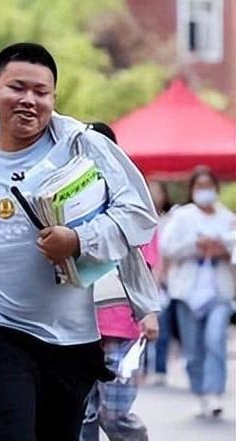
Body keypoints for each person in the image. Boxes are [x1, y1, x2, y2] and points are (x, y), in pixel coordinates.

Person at [0, 42, 160, 441]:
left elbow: (137, 213)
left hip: (69, 337)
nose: (28, 100)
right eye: (16, 88)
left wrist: (78, 239)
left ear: (53, 98)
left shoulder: (82, 146)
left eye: (41, 92)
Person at [79, 122, 148, 441]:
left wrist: (149, 311)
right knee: (82, 415)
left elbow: (143, 262)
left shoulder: (128, 203)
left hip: (120, 324)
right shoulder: (66, 200)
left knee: (114, 415)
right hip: (76, 327)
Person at [161, 166, 235, 417]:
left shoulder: (227, 218)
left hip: (219, 289)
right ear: (192, 190)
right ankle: (199, 393)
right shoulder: (182, 217)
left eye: (209, 186)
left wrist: (222, 250)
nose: (205, 192)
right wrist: (195, 245)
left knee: (215, 339)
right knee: (192, 349)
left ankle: (214, 393)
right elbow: (168, 248)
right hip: (187, 291)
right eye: (200, 187)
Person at [142, 180, 177, 385]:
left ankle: (160, 367)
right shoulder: (141, 220)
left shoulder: (169, 220)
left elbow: (162, 256)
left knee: (160, 328)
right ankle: (144, 367)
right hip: (145, 279)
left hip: (162, 281)